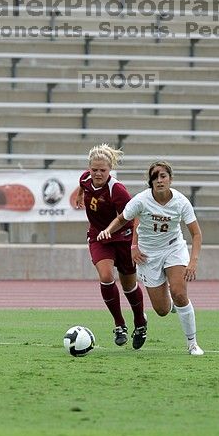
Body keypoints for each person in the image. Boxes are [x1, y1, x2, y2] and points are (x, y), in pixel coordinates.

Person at [96, 161, 204, 356]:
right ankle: (170, 304)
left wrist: (193, 261)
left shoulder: (181, 202)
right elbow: (123, 219)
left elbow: (196, 233)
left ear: (170, 179)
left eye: (163, 176)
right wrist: (110, 232)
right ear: (150, 181)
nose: (159, 180)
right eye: (155, 177)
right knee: (162, 310)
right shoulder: (141, 200)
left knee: (180, 293)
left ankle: (192, 343)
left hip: (173, 249)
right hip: (148, 255)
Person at [74, 143, 148, 349]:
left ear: (110, 170)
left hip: (123, 239)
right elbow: (82, 184)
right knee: (106, 277)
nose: (97, 174)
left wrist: (134, 245)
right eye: (94, 169)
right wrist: (80, 195)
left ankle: (140, 322)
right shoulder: (85, 179)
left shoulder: (118, 190)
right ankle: (119, 324)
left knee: (129, 287)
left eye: (102, 170)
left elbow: (133, 218)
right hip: (99, 238)